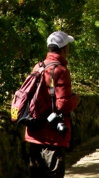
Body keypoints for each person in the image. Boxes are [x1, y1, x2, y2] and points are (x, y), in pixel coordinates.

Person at [25, 31, 81, 178]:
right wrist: (76, 99)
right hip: (52, 134)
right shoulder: (61, 70)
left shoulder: (38, 67)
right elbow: (63, 104)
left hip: (34, 130)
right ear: (63, 49)